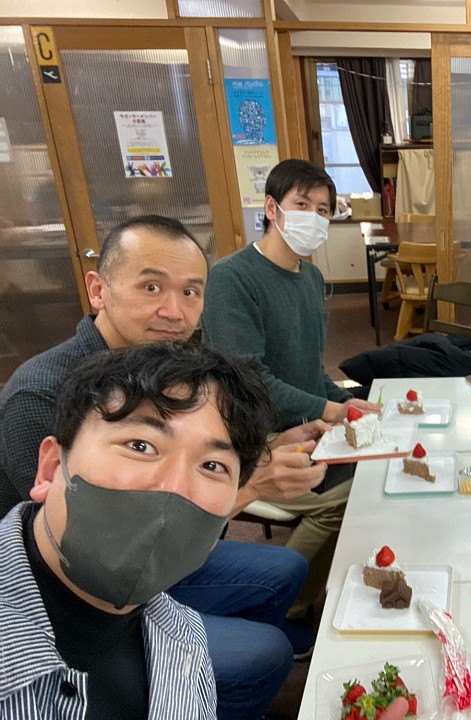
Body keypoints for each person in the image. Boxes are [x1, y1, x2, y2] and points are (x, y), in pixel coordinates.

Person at [0, 215, 326, 720]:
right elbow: (102, 545)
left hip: (148, 566)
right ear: (98, 289)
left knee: (285, 568)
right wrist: (253, 484)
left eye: (191, 292)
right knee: (265, 651)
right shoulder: (42, 392)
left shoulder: (169, 372)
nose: (174, 311)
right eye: (151, 287)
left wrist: (255, 454)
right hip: (74, 582)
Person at [0, 341, 276, 719]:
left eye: (212, 466)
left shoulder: (185, 639)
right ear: (50, 468)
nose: (174, 488)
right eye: (140, 445)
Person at [202, 160, 380, 617]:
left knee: (381, 467)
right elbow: (249, 379)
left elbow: (308, 368)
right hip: (251, 436)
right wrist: (330, 409)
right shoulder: (232, 277)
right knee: (349, 498)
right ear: (272, 208)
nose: (314, 218)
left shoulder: (311, 278)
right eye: (302, 204)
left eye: (323, 210)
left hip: (305, 428)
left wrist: (345, 401)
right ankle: (286, 607)